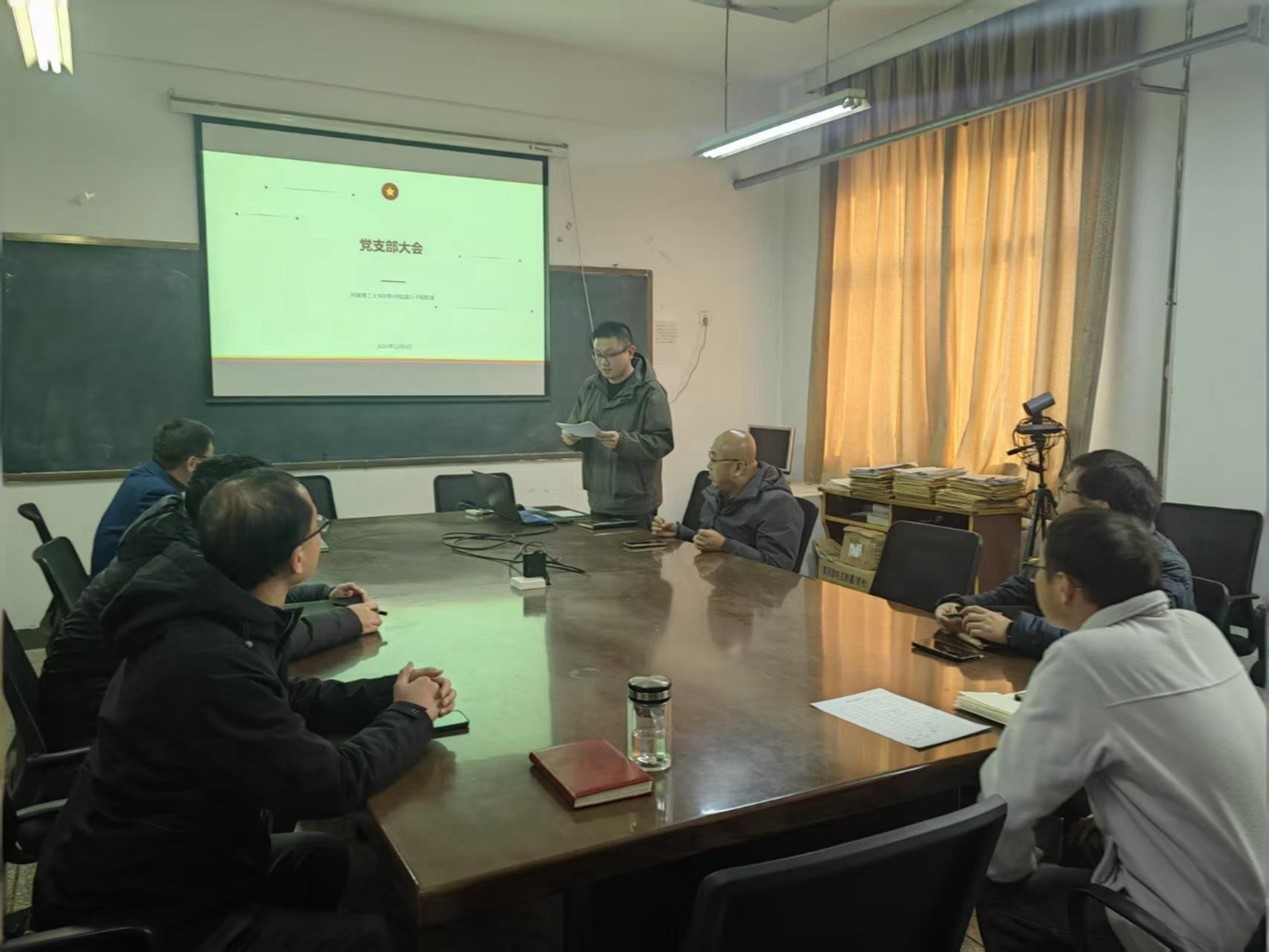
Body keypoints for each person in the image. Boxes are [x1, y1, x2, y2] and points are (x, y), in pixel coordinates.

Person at [33, 468, 457, 952]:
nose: (321, 539)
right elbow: (332, 782)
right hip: (140, 907)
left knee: (321, 856)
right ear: (297, 558)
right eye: (318, 528)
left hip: (161, 855)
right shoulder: (209, 658)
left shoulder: (216, 613)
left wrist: (389, 694)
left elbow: (281, 698)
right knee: (372, 938)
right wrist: (412, 717)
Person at [975, 509, 1266, 952]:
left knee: (991, 883)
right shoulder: (1198, 629)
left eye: (1037, 570)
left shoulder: (1086, 657)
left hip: (1192, 932)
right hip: (1254, 909)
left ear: (1064, 586)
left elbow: (1004, 804)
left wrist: (1012, 867)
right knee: (1080, 834)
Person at [36, 455, 380, 752]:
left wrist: (319, 593)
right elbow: (255, 645)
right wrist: (347, 621)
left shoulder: (180, 531)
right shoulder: (182, 566)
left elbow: (248, 597)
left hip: (120, 711)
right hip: (98, 726)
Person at [935, 449, 1194, 657]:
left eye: (1066, 491)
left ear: (1098, 509)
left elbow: (1116, 646)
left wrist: (1013, 630)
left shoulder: (1163, 569)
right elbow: (1026, 587)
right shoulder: (1082, 544)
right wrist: (965, 606)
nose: (1057, 502)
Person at [562, 321, 673, 528]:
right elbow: (576, 425)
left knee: (633, 551)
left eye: (610, 355)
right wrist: (572, 438)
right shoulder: (590, 387)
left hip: (636, 502)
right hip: (599, 497)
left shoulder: (650, 392)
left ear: (630, 352)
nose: (603, 362)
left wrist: (623, 441)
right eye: (597, 355)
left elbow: (662, 443)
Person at [651, 429, 805, 571]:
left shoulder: (779, 505)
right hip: (718, 580)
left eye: (713, 459)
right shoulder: (719, 491)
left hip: (753, 589)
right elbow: (714, 541)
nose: (708, 465)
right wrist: (680, 532)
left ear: (738, 468)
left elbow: (778, 567)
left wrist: (725, 545)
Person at [90, 418, 215, 575]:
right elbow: (180, 551)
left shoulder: (143, 475)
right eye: (210, 460)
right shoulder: (157, 493)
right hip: (120, 585)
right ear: (192, 463)